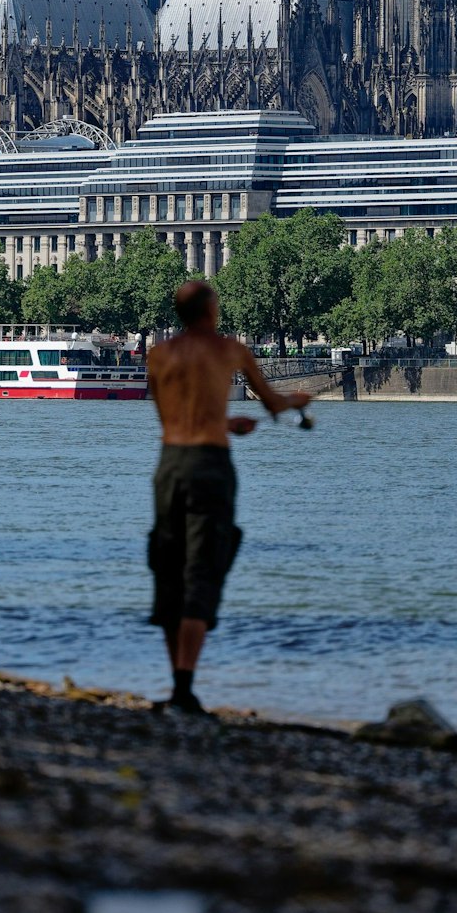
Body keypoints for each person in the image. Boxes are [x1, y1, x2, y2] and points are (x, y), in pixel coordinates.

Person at [144, 278, 310, 714]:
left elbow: (172, 419)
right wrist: (296, 400)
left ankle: (174, 685)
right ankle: (186, 687)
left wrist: (225, 424)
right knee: (204, 566)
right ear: (211, 310)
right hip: (211, 468)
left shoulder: (158, 355)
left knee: (168, 563)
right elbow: (272, 404)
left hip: (170, 464)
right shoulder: (230, 349)